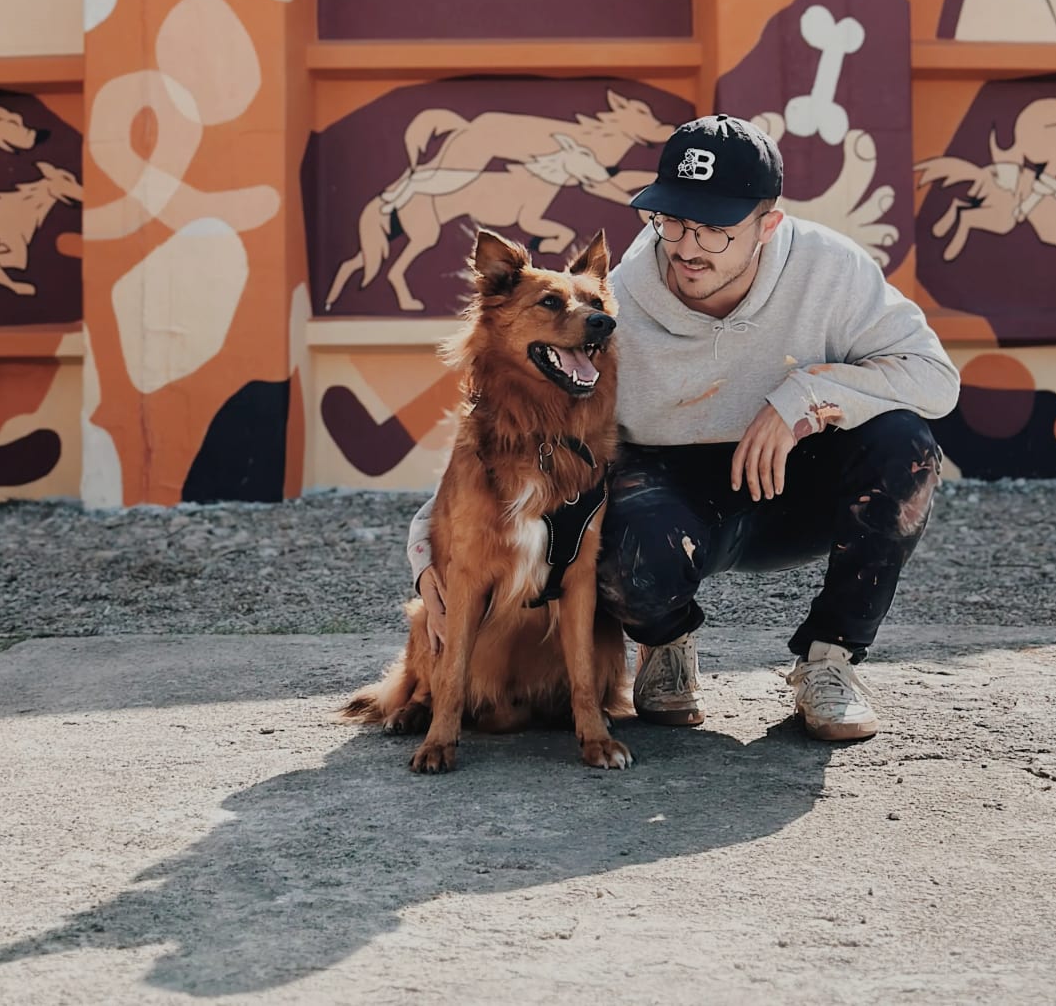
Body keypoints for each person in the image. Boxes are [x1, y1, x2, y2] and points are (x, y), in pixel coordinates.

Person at [406, 114, 959, 742]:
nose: (688, 247)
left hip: (799, 479)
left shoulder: (831, 270)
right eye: (672, 222)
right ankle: (665, 646)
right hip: (669, 493)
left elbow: (935, 380)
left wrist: (806, 398)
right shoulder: (611, 306)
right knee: (610, 540)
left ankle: (831, 661)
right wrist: (427, 557)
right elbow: (506, 457)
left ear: (767, 225)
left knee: (906, 449)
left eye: (715, 229)